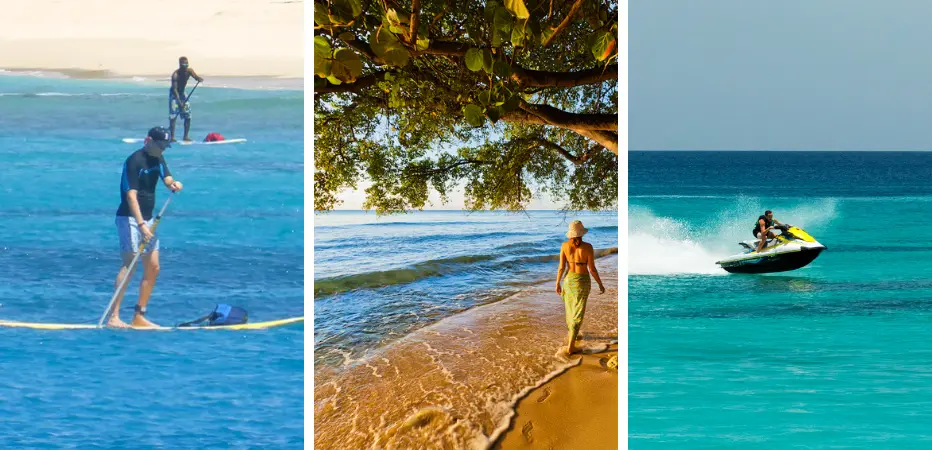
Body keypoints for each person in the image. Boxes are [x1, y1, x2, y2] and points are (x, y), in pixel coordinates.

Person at [108, 126, 183, 328]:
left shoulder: (158, 158)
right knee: (130, 265)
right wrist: (141, 225)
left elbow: (166, 178)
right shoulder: (134, 161)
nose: (163, 149)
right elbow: (130, 196)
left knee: (153, 266)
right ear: (148, 141)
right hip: (130, 219)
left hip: (148, 220)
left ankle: (139, 316)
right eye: (161, 145)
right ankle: (114, 317)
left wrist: (174, 184)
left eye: (166, 146)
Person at [555, 220, 606, 356]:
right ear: (582, 233)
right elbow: (592, 269)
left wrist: (557, 283)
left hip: (569, 280)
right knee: (578, 311)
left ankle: (573, 335)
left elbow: (561, 267)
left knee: (570, 309)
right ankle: (571, 347)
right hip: (582, 281)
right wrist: (600, 284)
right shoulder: (588, 247)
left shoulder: (564, 246)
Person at [169, 56, 204, 142]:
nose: (185, 66)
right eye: (184, 65)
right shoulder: (175, 75)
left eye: (187, 64)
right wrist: (179, 102)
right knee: (173, 116)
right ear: (180, 65)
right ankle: (172, 137)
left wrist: (199, 79)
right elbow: (175, 90)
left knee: (188, 116)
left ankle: (185, 136)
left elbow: (195, 77)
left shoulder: (189, 71)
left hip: (183, 93)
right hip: (174, 95)